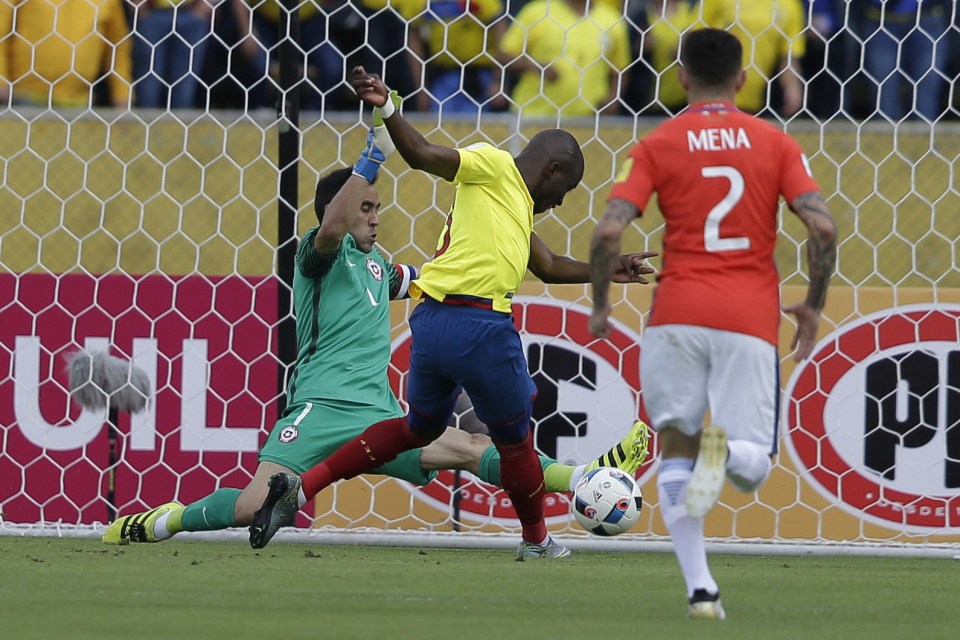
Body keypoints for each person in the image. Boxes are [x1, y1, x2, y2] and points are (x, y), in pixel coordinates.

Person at [101, 112, 652, 546]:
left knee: (472, 446)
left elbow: (447, 276)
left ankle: (585, 478)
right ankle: (166, 521)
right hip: (320, 407)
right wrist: (371, 160)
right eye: (365, 208)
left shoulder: (380, 268)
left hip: (380, 413)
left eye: (376, 207)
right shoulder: (316, 256)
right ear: (339, 213)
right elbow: (332, 227)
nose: (374, 217)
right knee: (252, 507)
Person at [250, 66, 657, 559]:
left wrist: (608, 268)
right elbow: (422, 155)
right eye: (565, 190)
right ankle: (538, 539)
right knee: (515, 444)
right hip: (480, 325)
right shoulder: (492, 165)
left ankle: (303, 486)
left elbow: (546, 266)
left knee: (414, 430)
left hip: (432, 321)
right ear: (553, 172)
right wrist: (388, 107)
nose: (560, 200)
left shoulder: (508, 207)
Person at [588, 29, 837, 619]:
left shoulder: (658, 143)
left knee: (673, 447)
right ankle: (722, 457)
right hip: (747, 317)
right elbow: (822, 228)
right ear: (745, 80)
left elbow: (606, 230)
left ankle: (701, 588)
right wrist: (814, 303)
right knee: (752, 467)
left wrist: (600, 305)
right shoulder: (773, 143)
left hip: (675, 314)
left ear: (680, 79)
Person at [497, 0, 631, 117]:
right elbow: (505, 55)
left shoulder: (612, 18)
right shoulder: (537, 12)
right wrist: (535, 65)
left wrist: (613, 99)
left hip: (588, 119)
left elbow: (620, 67)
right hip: (534, 115)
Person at [0, 0, 133, 109]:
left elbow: (118, 46)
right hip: (25, 97)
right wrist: (1, 79)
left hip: (79, 103)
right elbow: (2, 30)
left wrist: (122, 93)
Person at [698, 0, 806, 117]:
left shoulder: (789, 5)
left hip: (754, 103)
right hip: (709, 98)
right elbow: (694, 37)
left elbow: (788, 55)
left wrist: (792, 86)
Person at [859, 0, 953, 122]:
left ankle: (924, 140)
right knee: (884, 100)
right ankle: (888, 141)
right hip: (879, 18)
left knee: (925, 102)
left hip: (929, 17)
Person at [128, 0, 211, 109]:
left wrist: (207, 4)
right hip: (153, 13)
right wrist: (138, 5)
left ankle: (181, 124)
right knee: (149, 82)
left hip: (191, 13)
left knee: (186, 83)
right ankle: (146, 124)